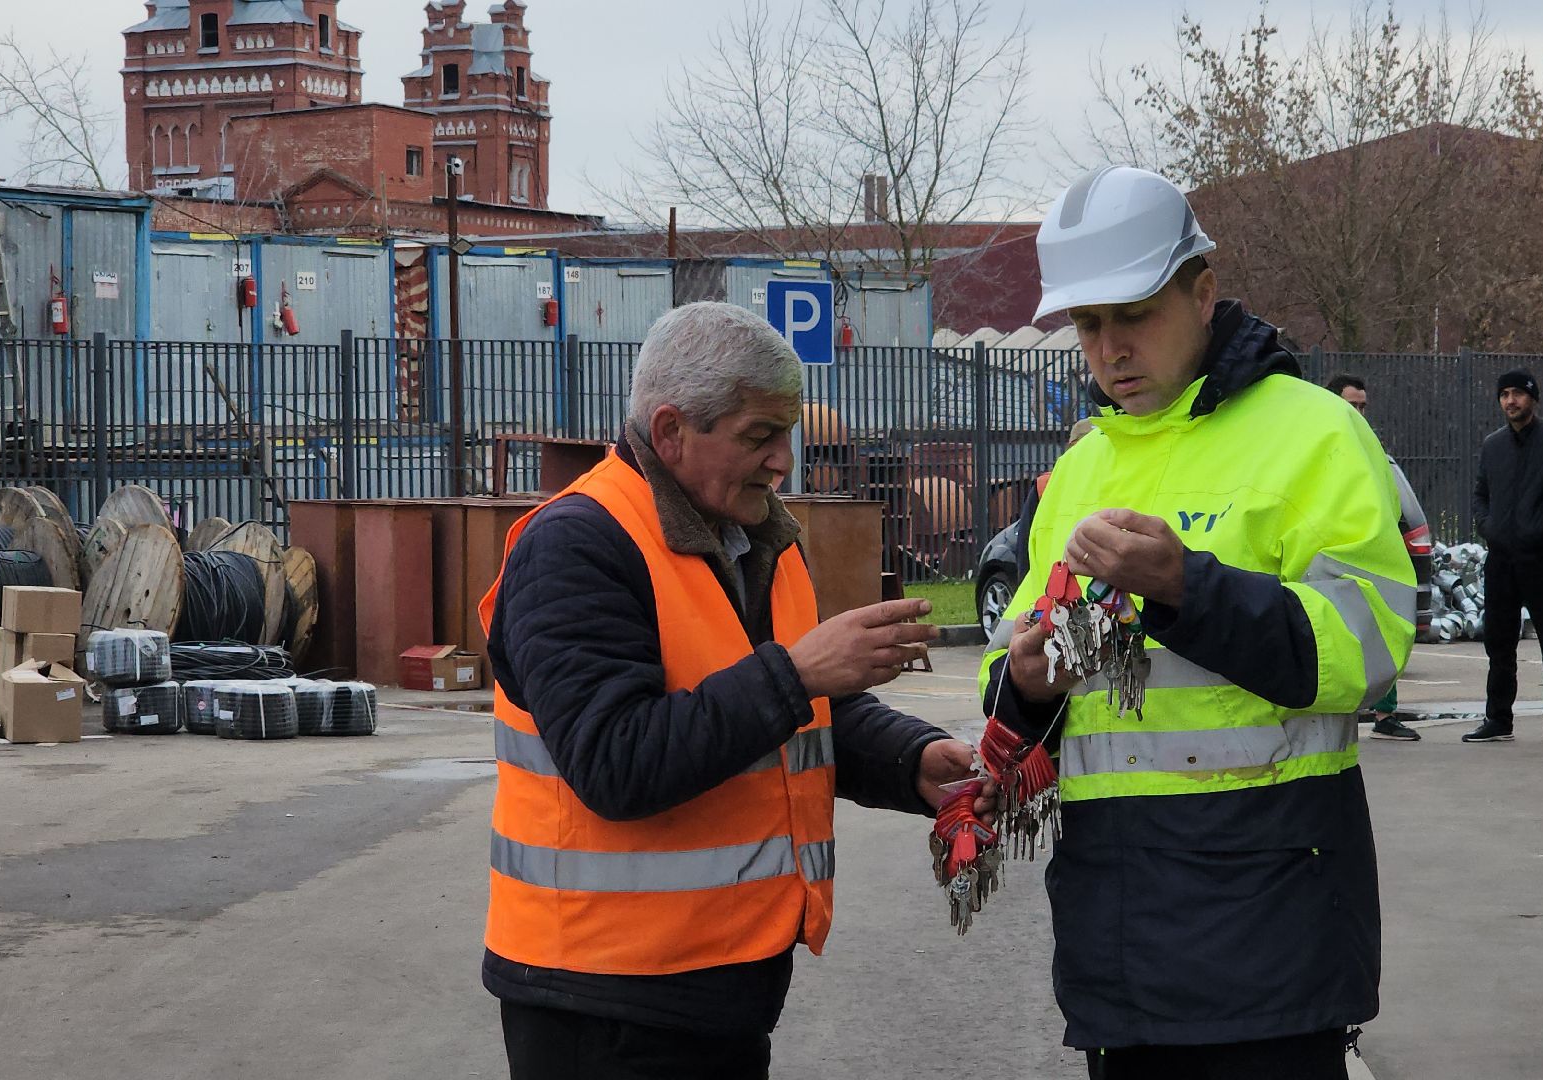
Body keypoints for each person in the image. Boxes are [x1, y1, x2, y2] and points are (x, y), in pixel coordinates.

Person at [477, 301, 991, 1079]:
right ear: (672, 430)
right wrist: (799, 671)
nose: (784, 459)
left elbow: (800, 714)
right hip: (601, 1000)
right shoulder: (575, 547)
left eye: (789, 433)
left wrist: (911, 759)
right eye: (759, 436)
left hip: (718, 987)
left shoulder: (756, 537)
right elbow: (617, 760)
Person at [983, 167, 1417, 1079]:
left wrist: (1184, 587)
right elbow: (1015, 680)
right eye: (1088, 325)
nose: (1109, 348)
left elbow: (1368, 654)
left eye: (1132, 314)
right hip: (1119, 946)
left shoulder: (1315, 433)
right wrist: (1025, 681)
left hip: (1270, 940)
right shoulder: (1081, 469)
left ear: (1203, 291)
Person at [1464, 369, 1543, 746]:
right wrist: (1487, 526)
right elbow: (1480, 494)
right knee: (1499, 643)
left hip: (1542, 557)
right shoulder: (1493, 445)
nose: (1511, 401)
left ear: (1533, 398)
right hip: (1500, 558)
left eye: (1518, 393)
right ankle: (1498, 718)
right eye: (1504, 394)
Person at [1325, 373, 1421, 742]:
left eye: (1363, 406)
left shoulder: (1371, 449)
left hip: (1371, 552)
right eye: (1353, 405)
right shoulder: (1320, 445)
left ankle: (1385, 714)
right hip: (1330, 554)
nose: (1360, 413)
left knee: (1380, 629)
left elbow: (1388, 496)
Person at [1014, 417, 1099, 583]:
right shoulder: (1045, 485)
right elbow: (1027, 545)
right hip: (1055, 584)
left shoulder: (1111, 481)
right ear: (1071, 449)